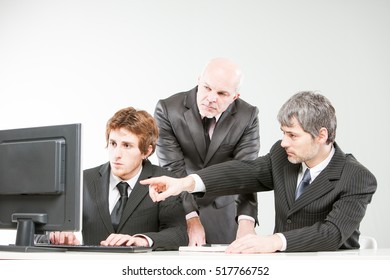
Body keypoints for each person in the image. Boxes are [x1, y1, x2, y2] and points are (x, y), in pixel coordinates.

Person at [142, 91, 377, 253]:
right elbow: (243, 173)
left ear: (322, 135)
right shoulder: (283, 157)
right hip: (281, 269)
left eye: (292, 135)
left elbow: (332, 233)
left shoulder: (356, 177)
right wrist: (185, 183)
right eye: (283, 133)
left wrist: (272, 241)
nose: (284, 142)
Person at [154, 57, 260, 245]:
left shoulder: (248, 116)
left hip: (225, 214)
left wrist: (246, 222)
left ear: (235, 96)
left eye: (222, 93)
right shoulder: (168, 110)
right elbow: (173, 170)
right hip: (179, 210)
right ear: (198, 80)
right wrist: (191, 218)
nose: (211, 98)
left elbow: (247, 172)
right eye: (207, 88)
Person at [50, 107, 188, 250]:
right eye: (113, 143)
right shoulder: (83, 180)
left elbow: (178, 235)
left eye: (127, 146)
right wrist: (57, 235)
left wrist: (141, 240)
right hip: (91, 268)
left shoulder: (164, 181)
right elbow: (40, 230)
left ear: (146, 151)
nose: (117, 154)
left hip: (137, 270)